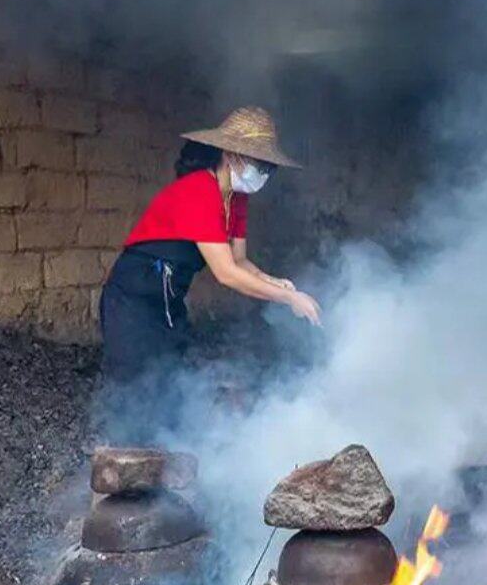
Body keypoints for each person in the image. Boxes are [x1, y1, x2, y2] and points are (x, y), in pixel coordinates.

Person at [98, 106, 321, 437]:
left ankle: (167, 471)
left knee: (170, 387)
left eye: (269, 168)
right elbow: (226, 274)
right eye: (261, 165)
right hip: (131, 300)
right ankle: (117, 468)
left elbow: (240, 261)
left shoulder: (236, 198)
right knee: (136, 393)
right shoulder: (198, 192)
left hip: (167, 298)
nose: (265, 174)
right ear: (232, 156)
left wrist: (275, 282)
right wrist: (287, 298)